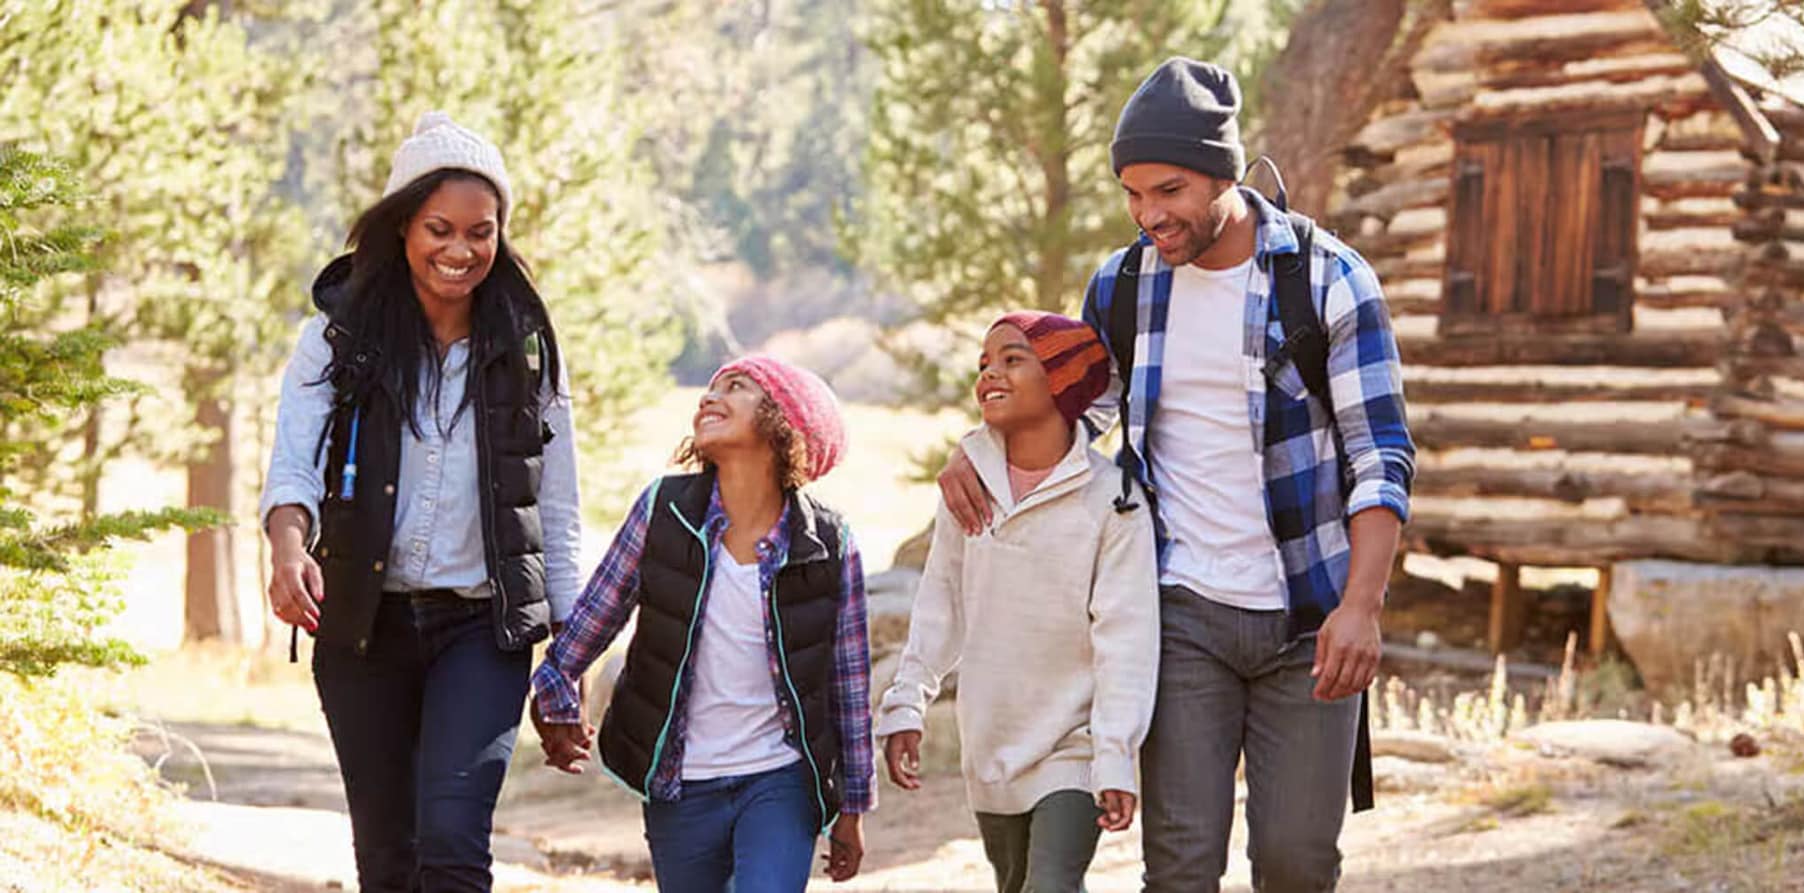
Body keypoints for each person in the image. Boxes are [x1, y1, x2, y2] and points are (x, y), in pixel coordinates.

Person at [937, 57, 1415, 893]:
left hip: (1311, 617)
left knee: (1299, 864)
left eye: (1170, 191)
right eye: (1133, 193)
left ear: (1223, 173)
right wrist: (975, 449)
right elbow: (1070, 416)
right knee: (1181, 868)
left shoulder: (1328, 279)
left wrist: (1361, 607)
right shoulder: (1121, 288)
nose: (1149, 214)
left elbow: (1381, 456)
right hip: (1181, 612)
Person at [258, 111, 582, 892]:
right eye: (440, 228)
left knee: (453, 842)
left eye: (481, 231)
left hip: (482, 626)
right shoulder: (336, 340)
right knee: (389, 858)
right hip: (364, 626)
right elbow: (292, 469)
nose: (460, 250)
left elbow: (559, 509)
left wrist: (567, 656)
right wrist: (287, 547)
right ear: (403, 225)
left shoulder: (527, 348)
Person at [528, 355, 873, 891]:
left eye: (736, 387)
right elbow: (598, 614)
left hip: (779, 779)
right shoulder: (663, 509)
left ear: (786, 424)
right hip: (679, 782)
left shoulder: (829, 544)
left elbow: (849, 682)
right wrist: (555, 689)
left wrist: (852, 804)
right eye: (710, 388)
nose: (710, 397)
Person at [877, 312, 1159, 893]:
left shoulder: (1113, 502)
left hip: (1074, 746)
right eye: (983, 363)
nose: (988, 375)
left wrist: (1114, 754)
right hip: (992, 741)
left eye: (1011, 359)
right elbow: (941, 602)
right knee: (1015, 884)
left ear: (1061, 379)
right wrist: (906, 701)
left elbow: (1126, 637)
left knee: (1050, 885)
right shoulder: (969, 487)